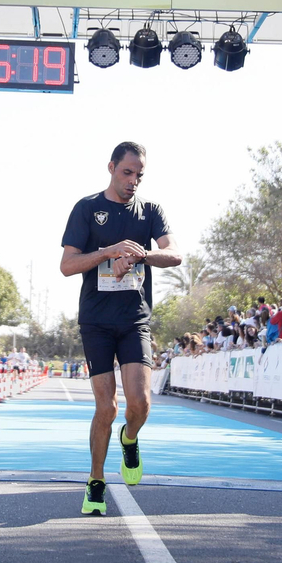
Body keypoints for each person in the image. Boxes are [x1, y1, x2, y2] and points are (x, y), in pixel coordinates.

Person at [60, 141, 182, 516]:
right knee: (106, 408)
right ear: (111, 167)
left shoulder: (150, 211)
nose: (133, 181)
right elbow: (67, 265)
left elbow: (174, 253)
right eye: (127, 173)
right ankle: (96, 481)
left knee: (140, 404)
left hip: (134, 320)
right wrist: (109, 251)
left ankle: (130, 439)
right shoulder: (87, 208)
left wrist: (140, 254)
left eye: (139, 175)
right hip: (96, 321)